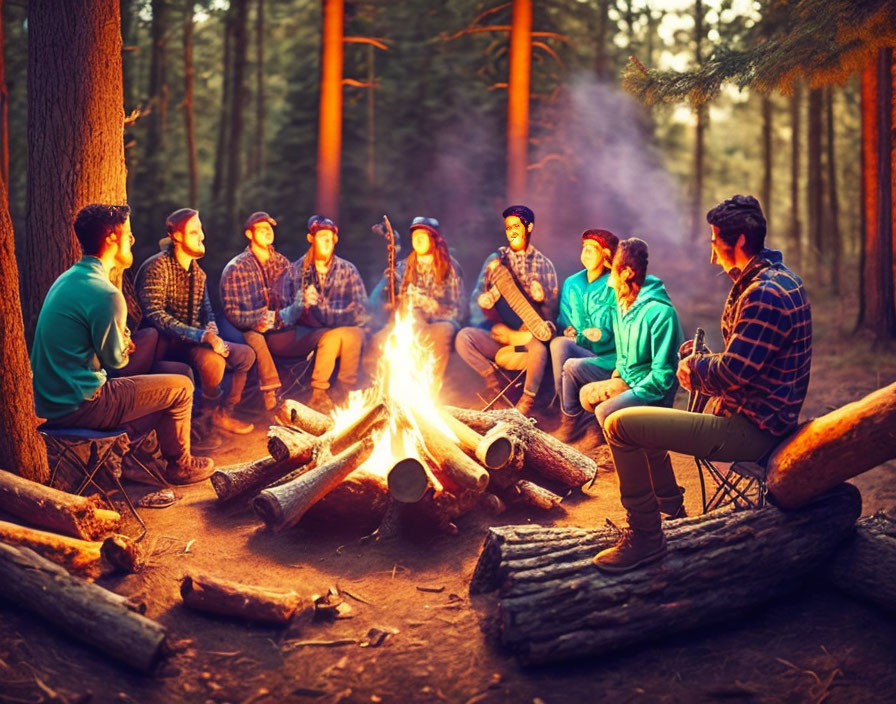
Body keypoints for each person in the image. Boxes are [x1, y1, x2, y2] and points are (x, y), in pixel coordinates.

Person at [592, 196, 812, 573]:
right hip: (756, 415)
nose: (712, 255)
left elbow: (732, 373)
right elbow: (752, 358)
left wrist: (695, 368)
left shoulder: (762, 293)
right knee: (648, 423)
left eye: (715, 243)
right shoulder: (776, 278)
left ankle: (646, 538)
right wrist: (706, 356)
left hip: (753, 429)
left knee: (619, 425)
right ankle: (671, 509)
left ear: (739, 241)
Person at [31, 204, 213, 484]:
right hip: (83, 403)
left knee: (160, 382)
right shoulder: (106, 294)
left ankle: (131, 455)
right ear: (111, 238)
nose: (132, 240)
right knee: (182, 386)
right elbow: (117, 362)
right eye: (128, 234)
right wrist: (124, 345)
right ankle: (180, 465)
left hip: (51, 402)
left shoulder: (68, 279)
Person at [136, 208, 256, 436]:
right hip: (161, 347)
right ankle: (202, 419)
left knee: (246, 355)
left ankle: (218, 414)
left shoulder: (198, 274)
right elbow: (154, 315)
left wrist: (211, 327)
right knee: (214, 362)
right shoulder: (157, 267)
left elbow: (207, 311)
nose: (201, 236)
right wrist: (202, 336)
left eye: (200, 230)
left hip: (191, 343)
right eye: (194, 231)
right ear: (177, 236)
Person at [455, 205, 558, 414]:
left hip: (530, 337)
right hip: (500, 334)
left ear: (528, 227)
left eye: (516, 226)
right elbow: (479, 297)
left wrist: (544, 298)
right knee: (464, 338)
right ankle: (495, 384)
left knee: (539, 349)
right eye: (508, 227)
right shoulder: (497, 261)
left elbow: (553, 313)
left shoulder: (544, 265)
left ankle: (526, 403)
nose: (511, 231)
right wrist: (489, 319)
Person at [577, 238, 682, 436]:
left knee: (604, 412)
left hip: (653, 394)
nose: (608, 281)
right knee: (585, 396)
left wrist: (628, 392)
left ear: (627, 273)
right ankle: (626, 442)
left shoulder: (661, 313)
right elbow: (624, 357)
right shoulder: (621, 304)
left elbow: (662, 378)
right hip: (629, 382)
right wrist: (617, 378)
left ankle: (633, 457)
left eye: (612, 273)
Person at [278, 215, 369, 414]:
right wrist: (301, 304)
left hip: (344, 331)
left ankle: (342, 390)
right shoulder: (295, 271)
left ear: (335, 240)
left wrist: (326, 311)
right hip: (306, 334)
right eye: (321, 237)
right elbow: (284, 315)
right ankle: (320, 394)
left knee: (351, 333)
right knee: (336, 335)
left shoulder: (347, 270)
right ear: (311, 239)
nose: (327, 242)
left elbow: (361, 310)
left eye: (330, 237)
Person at [367, 216, 464, 383]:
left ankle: (430, 389)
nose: (417, 240)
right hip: (408, 322)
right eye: (414, 236)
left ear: (434, 239)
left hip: (438, 322)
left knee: (441, 333)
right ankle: (382, 390)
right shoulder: (402, 267)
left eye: (423, 236)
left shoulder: (449, 267)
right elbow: (380, 299)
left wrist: (431, 306)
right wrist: (388, 300)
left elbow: (457, 309)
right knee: (379, 341)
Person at [220, 211, 295, 412]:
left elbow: (292, 300)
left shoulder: (283, 264)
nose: (268, 232)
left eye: (269, 228)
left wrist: (278, 318)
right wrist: (256, 320)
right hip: (242, 328)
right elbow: (231, 311)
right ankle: (271, 398)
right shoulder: (237, 266)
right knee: (254, 336)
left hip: (278, 325)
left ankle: (310, 395)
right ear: (249, 234)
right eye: (262, 229)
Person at [551, 229, 619, 442]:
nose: (586, 253)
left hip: (606, 354)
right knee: (559, 344)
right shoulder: (572, 282)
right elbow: (563, 316)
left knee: (566, 353)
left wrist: (587, 336)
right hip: (577, 345)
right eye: (584, 249)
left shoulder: (613, 285)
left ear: (605, 254)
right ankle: (569, 417)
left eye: (593, 250)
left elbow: (610, 330)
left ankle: (589, 422)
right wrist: (567, 328)